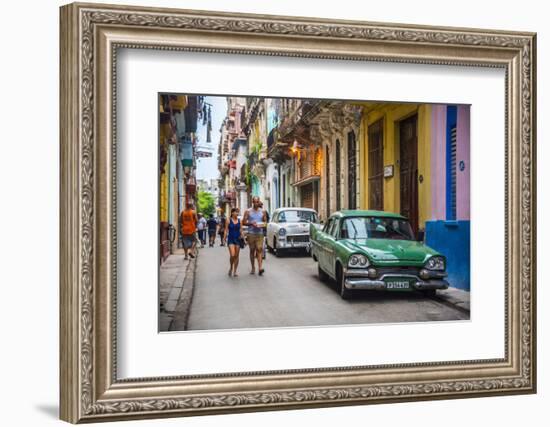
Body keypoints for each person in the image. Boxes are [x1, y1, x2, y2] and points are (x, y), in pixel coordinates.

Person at [243, 196, 267, 275]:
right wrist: (251, 223)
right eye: (255, 202)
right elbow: (243, 222)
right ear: (252, 202)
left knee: (259, 249)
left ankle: (260, 268)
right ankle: (253, 267)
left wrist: (262, 224)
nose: (256, 203)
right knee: (252, 250)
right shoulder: (248, 211)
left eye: (257, 202)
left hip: (259, 233)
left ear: (259, 202)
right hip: (251, 234)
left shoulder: (263, 211)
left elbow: (265, 222)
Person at [223, 208, 244, 277]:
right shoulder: (228, 220)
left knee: (236, 256)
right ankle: (231, 267)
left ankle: (235, 271)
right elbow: (226, 230)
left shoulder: (240, 221)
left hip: (238, 239)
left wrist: (243, 237)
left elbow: (241, 230)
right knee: (232, 255)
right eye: (236, 212)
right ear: (232, 213)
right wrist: (224, 238)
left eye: (238, 212)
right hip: (231, 239)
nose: (237, 214)